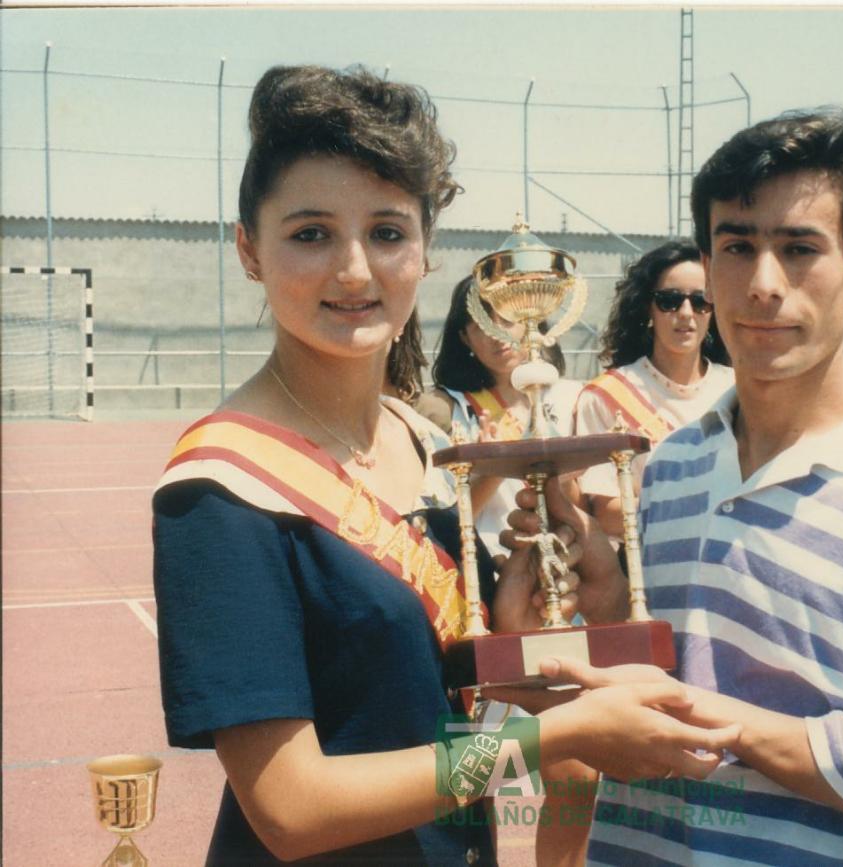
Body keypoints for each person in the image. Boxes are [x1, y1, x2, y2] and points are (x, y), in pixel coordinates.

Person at [152, 64, 738, 865]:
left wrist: (518, 628)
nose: (355, 269)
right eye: (311, 233)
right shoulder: (220, 485)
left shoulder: (424, 444)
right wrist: (557, 734)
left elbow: (442, 698)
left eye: (388, 232)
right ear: (249, 249)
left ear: (427, 250)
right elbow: (292, 808)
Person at [497, 107, 843, 866]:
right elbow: (661, 679)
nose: (763, 285)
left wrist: (704, 715)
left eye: (800, 249)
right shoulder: (673, 466)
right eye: (737, 247)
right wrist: (601, 608)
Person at [573, 240, 733, 535]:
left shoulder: (738, 388)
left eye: (700, 301)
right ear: (648, 307)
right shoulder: (605, 396)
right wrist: (696, 508)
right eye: (670, 300)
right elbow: (604, 511)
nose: (686, 312)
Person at [423, 274, 582, 555]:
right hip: (491, 565)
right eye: (482, 325)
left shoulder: (571, 398)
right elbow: (441, 526)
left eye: (508, 320)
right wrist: (491, 470)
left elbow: (588, 512)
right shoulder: (444, 409)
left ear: (532, 320)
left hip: (569, 558)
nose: (497, 335)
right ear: (464, 338)